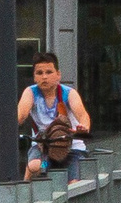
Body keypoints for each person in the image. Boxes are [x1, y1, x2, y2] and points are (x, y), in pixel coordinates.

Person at [17, 50, 91, 182]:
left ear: (58, 75)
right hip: (43, 148)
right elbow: (20, 115)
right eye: (39, 73)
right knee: (35, 166)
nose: (44, 77)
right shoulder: (30, 92)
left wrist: (83, 127)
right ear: (34, 77)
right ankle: (25, 194)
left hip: (71, 148)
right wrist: (16, 120)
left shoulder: (69, 93)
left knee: (74, 184)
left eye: (49, 72)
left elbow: (83, 115)